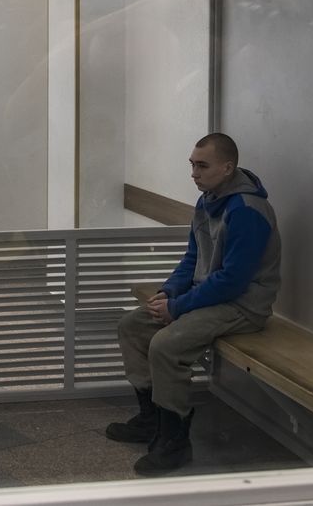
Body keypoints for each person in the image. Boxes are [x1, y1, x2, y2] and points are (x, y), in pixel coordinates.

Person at [106, 133, 281, 475]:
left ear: (227, 168)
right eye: (192, 165)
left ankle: (174, 442)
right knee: (132, 326)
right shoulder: (207, 201)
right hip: (210, 296)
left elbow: (233, 280)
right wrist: (170, 292)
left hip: (244, 305)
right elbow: (192, 258)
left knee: (167, 345)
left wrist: (179, 308)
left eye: (203, 166)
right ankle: (150, 419)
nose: (194, 173)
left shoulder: (247, 210)